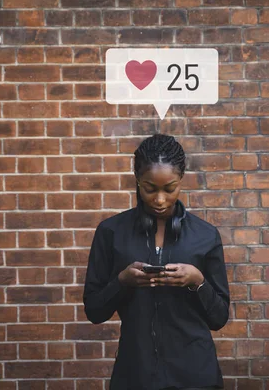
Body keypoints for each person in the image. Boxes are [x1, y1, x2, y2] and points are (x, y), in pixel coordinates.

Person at [83, 133, 230, 390]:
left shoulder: (206, 235)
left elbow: (219, 318)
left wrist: (198, 282)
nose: (160, 199)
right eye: (150, 188)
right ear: (137, 181)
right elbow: (94, 310)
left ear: (181, 181)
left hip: (195, 376)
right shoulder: (111, 232)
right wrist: (122, 281)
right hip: (136, 374)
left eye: (169, 188)